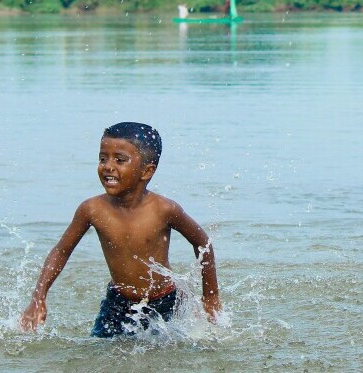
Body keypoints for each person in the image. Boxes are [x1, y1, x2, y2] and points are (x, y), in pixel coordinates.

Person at [19, 122, 222, 337]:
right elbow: (61, 251)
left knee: (167, 352)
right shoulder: (92, 209)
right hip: (117, 302)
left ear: (147, 171)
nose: (108, 166)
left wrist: (210, 296)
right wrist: (38, 296)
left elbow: (202, 243)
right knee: (98, 349)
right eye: (103, 158)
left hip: (164, 301)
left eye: (120, 160)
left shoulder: (164, 210)